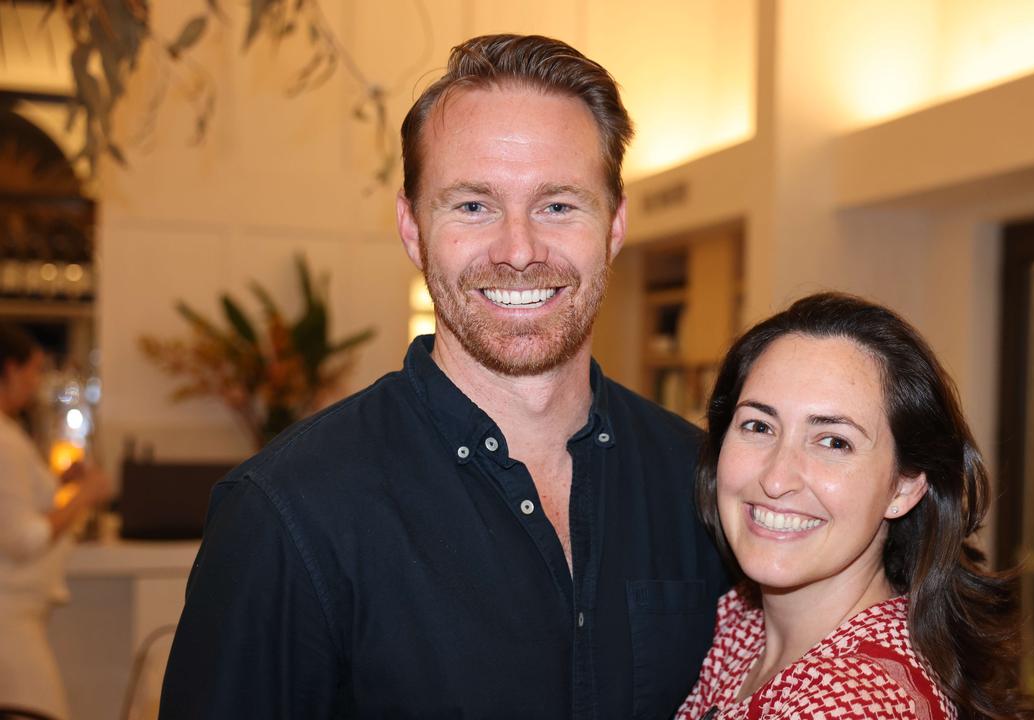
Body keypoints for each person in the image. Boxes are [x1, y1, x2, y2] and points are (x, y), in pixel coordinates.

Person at [160, 34, 727, 719]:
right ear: (412, 229)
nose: (518, 251)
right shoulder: (288, 513)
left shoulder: (703, 484)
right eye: (472, 206)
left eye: (558, 205)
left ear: (613, 225)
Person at [677, 293, 1034, 720]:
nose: (776, 479)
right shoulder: (739, 621)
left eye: (834, 442)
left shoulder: (859, 702)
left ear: (904, 487)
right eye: (758, 426)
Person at [0, 324, 111, 720]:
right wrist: (86, 495)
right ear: (9, 370)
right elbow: (24, 537)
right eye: (32, 371)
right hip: (8, 622)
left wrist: (62, 484)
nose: (35, 383)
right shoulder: (5, 440)